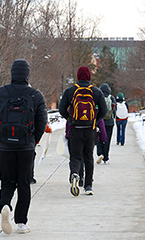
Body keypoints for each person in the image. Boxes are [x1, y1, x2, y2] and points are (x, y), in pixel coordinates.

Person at [0, 59, 47, 234]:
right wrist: (33, 140)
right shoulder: (36, 95)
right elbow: (42, 122)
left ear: (12, 73)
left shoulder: (0, 93)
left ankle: (5, 205)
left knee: (7, 182)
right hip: (26, 147)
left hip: (5, 147)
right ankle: (21, 223)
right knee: (23, 184)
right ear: (27, 74)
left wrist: (0, 137)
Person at [59, 66, 107, 196]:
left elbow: (61, 108)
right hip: (90, 130)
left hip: (75, 129)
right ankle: (88, 185)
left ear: (78, 76)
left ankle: (75, 174)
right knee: (88, 157)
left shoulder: (71, 91)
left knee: (75, 156)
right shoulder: (96, 92)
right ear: (89, 76)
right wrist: (95, 121)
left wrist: (70, 119)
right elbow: (104, 110)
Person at [97, 83, 117, 164]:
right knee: (107, 139)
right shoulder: (111, 98)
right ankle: (106, 158)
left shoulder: (98, 97)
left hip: (100, 121)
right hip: (110, 122)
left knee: (99, 138)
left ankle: (100, 154)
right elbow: (114, 110)